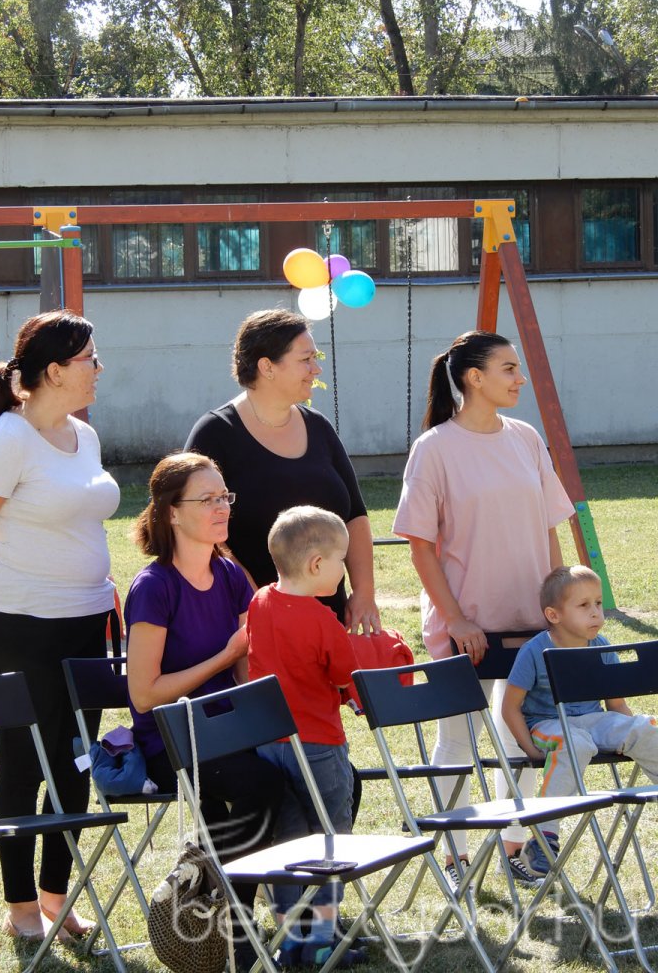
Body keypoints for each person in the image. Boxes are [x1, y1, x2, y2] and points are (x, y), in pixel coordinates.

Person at [0, 309, 120, 941]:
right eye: (89, 359)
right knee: (23, 762)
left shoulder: (84, 435)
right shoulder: (9, 439)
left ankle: (53, 897)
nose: (99, 369)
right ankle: (20, 910)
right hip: (16, 623)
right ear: (53, 370)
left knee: (74, 762)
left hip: (86, 620)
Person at [392, 329, 575, 890]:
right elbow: (420, 545)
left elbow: (549, 529)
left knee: (524, 735)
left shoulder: (525, 439)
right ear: (474, 378)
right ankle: (454, 857)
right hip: (466, 628)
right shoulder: (435, 448)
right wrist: (457, 620)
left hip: (532, 623)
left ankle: (517, 843)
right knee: (458, 741)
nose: (519, 379)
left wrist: (561, 606)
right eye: (508, 369)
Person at [124, 451, 285, 963]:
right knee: (257, 785)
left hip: (228, 731)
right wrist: (225, 655)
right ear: (172, 511)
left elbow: (244, 670)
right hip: (171, 740)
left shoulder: (232, 574)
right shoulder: (153, 587)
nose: (223, 508)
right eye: (208, 499)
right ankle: (233, 930)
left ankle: (299, 918)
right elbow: (144, 694)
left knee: (326, 772)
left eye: (225, 497)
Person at [184, 308, 380, 636]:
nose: (316, 369)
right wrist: (253, 601)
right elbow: (197, 529)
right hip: (250, 622)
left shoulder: (318, 427)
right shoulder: (215, 434)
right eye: (306, 359)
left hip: (329, 620)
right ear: (267, 367)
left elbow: (356, 516)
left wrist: (364, 592)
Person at [246, 506, 365, 969]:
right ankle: (322, 933)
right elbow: (343, 674)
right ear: (318, 565)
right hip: (317, 742)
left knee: (288, 838)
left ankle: (290, 932)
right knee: (329, 838)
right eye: (341, 561)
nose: (343, 571)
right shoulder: (322, 621)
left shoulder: (259, 603)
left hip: (270, 743)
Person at [503, 565, 658, 876]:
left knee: (647, 726)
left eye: (598, 603)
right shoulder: (534, 651)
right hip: (547, 725)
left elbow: (616, 706)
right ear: (554, 614)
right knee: (576, 744)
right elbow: (510, 707)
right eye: (584, 605)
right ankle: (545, 839)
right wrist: (531, 751)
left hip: (593, 719)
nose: (596, 613)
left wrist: (630, 736)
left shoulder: (602, 647)